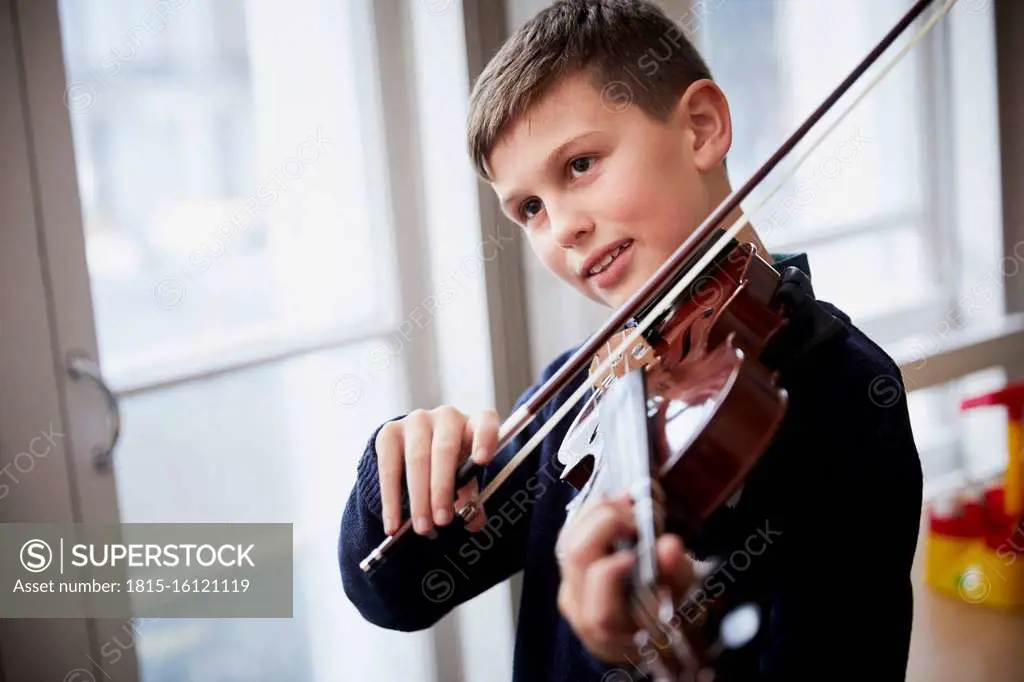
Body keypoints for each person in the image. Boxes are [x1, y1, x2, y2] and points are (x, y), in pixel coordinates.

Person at [338, 1, 923, 680]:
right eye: (529, 208)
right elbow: (395, 595)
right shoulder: (593, 383)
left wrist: (651, 654)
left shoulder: (845, 391)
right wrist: (399, 477)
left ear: (701, 128)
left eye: (580, 164)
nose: (561, 228)